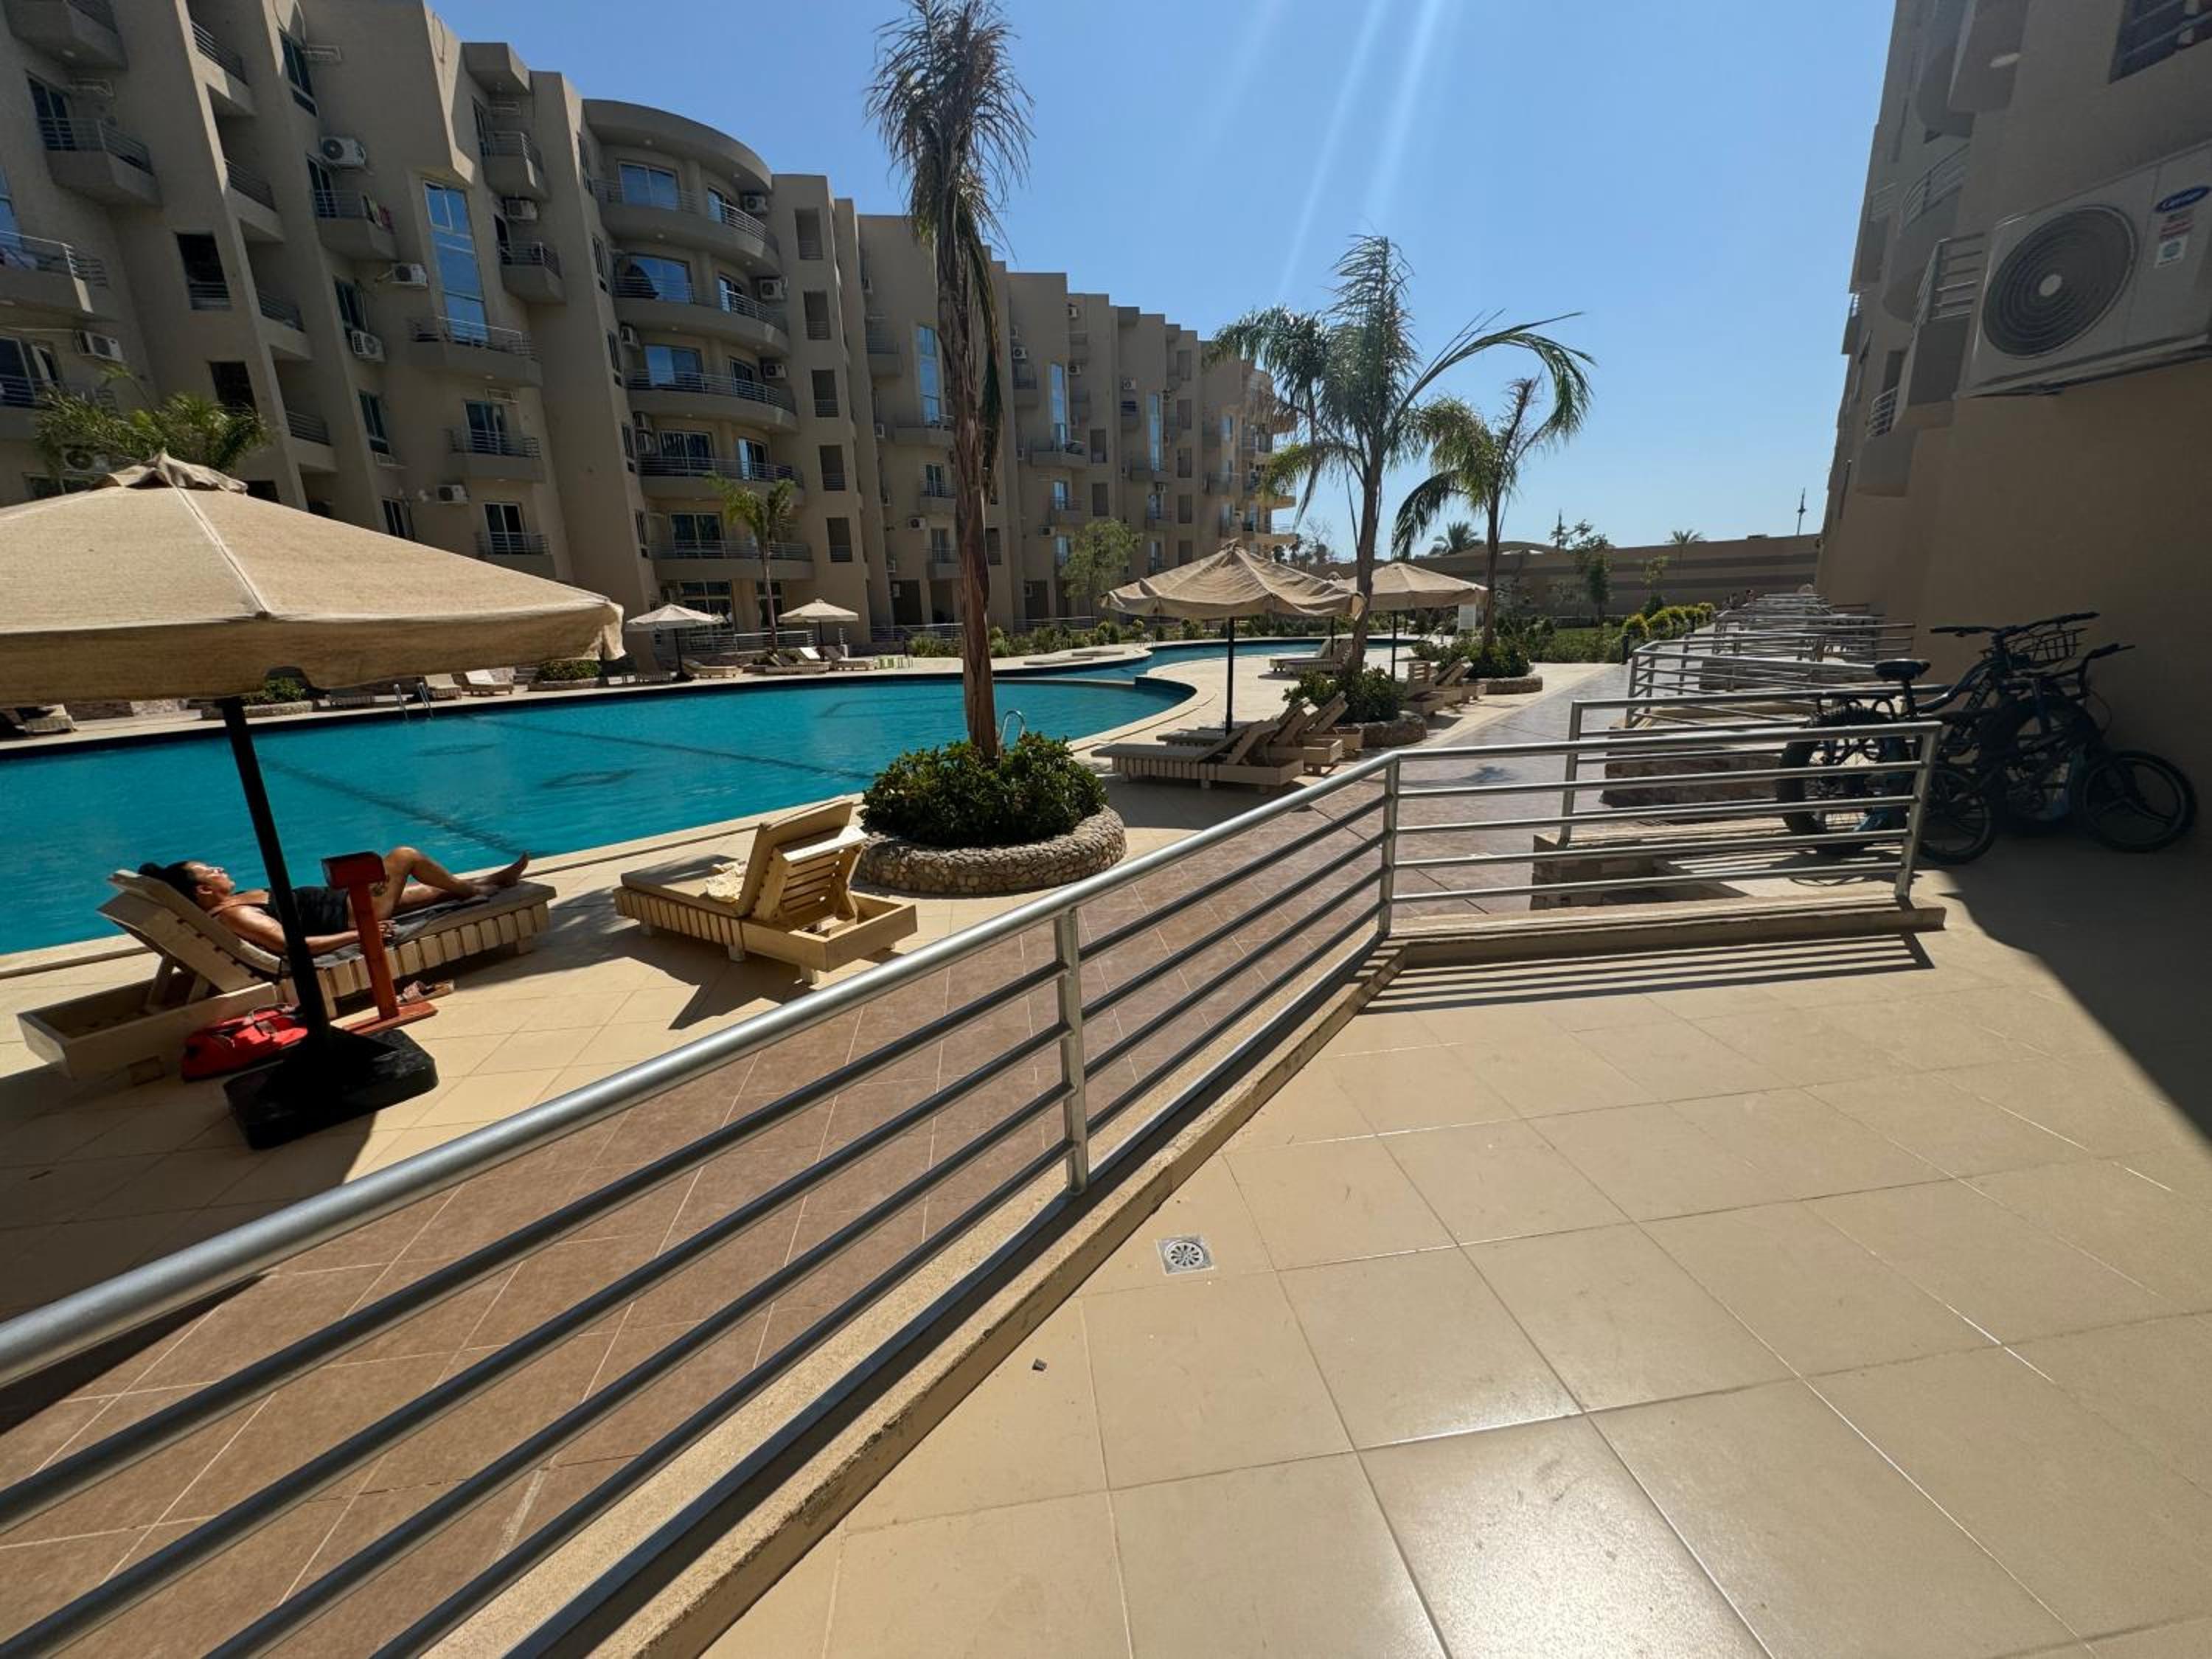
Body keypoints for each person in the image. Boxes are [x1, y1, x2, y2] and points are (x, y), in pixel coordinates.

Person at [139, 846, 530, 956]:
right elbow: (294, 947)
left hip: (345, 903)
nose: (219, 869)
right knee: (404, 856)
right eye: (210, 871)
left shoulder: (234, 903)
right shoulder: (236, 915)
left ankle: (495, 880)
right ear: (204, 891)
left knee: (428, 892)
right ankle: (474, 893)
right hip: (352, 916)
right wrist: (362, 933)